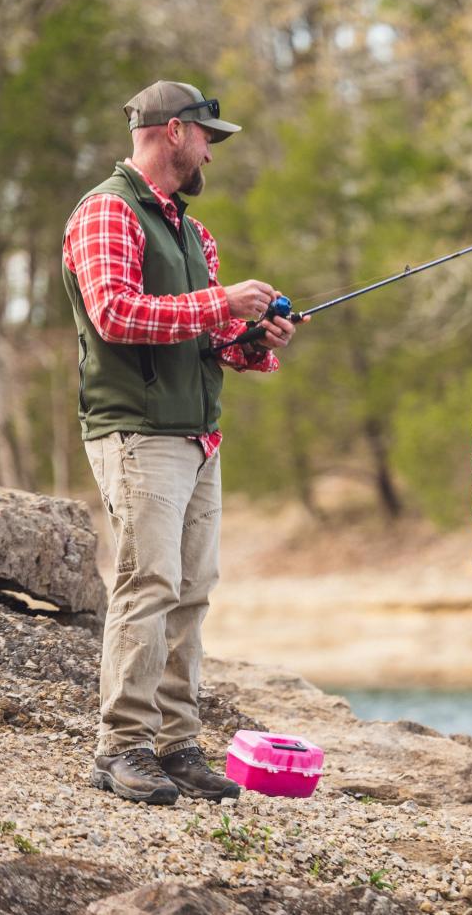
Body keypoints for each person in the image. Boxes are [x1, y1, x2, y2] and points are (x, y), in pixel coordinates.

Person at [61, 80, 303, 805]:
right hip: (136, 434)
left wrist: (254, 339)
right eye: (207, 138)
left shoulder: (194, 234)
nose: (210, 153)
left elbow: (215, 340)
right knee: (148, 585)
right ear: (172, 133)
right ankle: (122, 748)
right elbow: (115, 314)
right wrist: (221, 304)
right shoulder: (107, 211)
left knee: (191, 593)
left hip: (198, 437)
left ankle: (174, 745)